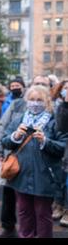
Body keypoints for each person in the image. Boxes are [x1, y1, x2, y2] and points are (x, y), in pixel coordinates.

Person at [1, 85, 67, 238]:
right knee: (24, 213)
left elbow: (63, 146)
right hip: (21, 176)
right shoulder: (19, 121)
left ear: (46, 102)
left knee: (43, 214)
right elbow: (5, 141)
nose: (35, 103)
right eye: (32, 99)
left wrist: (46, 141)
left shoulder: (55, 121)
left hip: (46, 177)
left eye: (39, 100)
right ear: (26, 101)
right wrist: (15, 137)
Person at [0, 75, 47, 237]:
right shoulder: (17, 104)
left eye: (43, 84)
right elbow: (3, 127)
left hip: (41, 162)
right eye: (36, 83)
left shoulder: (52, 108)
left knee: (40, 204)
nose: (39, 86)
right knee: (10, 193)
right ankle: (8, 226)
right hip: (15, 157)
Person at [55, 83, 68, 227]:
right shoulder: (62, 107)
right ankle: (62, 206)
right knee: (64, 180)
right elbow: (61, 127)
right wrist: (65, 104)